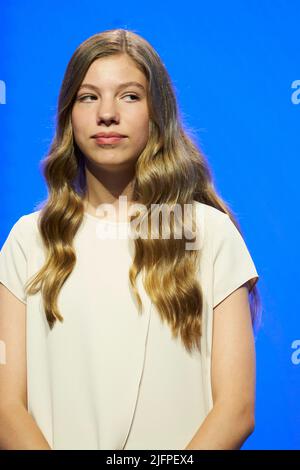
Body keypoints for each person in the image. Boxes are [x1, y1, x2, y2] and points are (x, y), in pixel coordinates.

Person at [0, 28, 261, 450]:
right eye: (88, 97)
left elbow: (236, 410)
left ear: (157, 113)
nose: (107, 113)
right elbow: (5, 407)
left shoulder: (206, 234)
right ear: (69, 114)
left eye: (129, 96)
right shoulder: (29, 241)